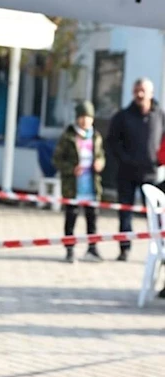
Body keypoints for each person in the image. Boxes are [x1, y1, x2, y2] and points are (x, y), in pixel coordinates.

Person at [106, 77, 165, 261]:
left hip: (151, 173)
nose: (139, 94)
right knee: (125, 213)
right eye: (136, 91)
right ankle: (124, 249)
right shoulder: (123, 116)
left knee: (155, 215)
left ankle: (158, 251)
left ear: (151, 94)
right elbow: (112, 142)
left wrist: (159, 160)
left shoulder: (159, 115)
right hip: (127, 173)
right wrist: (125, 159)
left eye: (143, 91)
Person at [53, 100, 106, 263]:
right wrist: (71, 169)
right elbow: (57, 159)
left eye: (88, 117)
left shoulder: (96, 137)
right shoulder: (68, 136)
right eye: (82, 117)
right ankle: (69, 250)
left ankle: (92, 249)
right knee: (71, 218)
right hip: (73, 186)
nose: (85, 121)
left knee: (92, 219)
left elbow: (101, 156)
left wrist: (100, 164)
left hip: (91, 185)